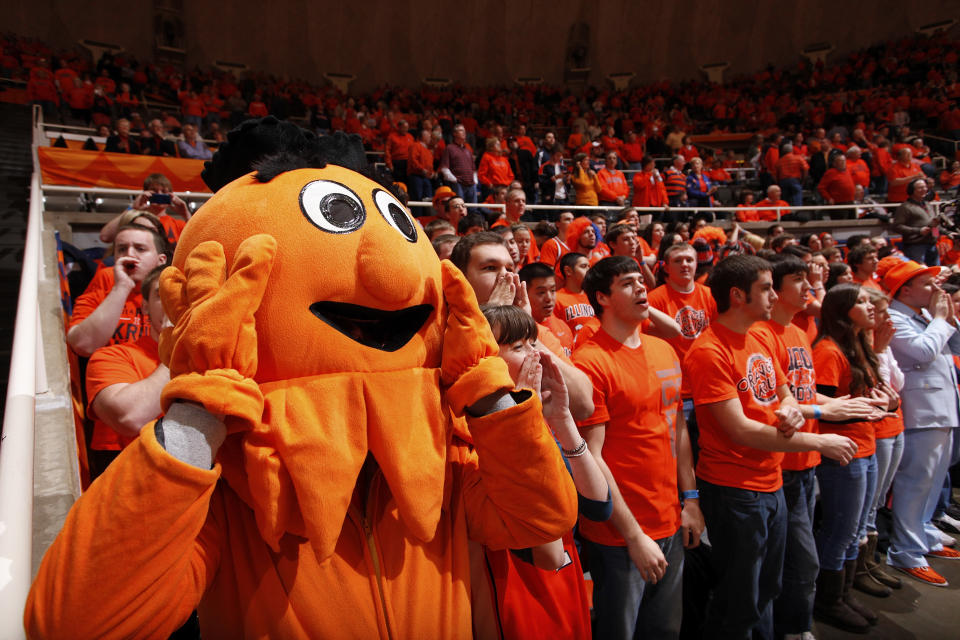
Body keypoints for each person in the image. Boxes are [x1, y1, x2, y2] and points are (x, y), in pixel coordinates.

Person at [684, 254, 857, 638]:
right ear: (737, 295)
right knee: (738, 599)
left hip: (770, 479)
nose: (773, 296)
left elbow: (785, 395)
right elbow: (740, 430)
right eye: (765, 288)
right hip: (734, 490)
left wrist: (793, 411)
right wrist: (817, 440)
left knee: (765, 589)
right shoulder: (710, 350)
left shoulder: (755, 338)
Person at [754, 258, 883, 639]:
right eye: (799, 280)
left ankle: (797, 624)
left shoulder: (797, 333)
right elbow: (775, 405)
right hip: (783, 463)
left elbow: (805, 393)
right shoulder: (762, 335)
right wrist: (829, 410)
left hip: (807, 462)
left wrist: (843, 406)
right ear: (775, 289)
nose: (809, 286)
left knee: (803, 559)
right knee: (794, 561)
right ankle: (790, 627)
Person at [575, 256, 702, 639]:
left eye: (640, 281)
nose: (641, 288)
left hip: (670, 518)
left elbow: (677, 428)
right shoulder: (590, 362)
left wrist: (691, 499)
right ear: (603, 297)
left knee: (664, 630)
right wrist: (633, 536)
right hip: (619, 534)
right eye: (627, 283)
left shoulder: (664, 350)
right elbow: (591, 458)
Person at [476, 305, 611, 640]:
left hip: (563, 584)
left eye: (532, 342)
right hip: (516, 591)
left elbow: (598, 504)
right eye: (519, 347)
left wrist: (563, 420)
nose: (535, 354)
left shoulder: (540, 418)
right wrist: (525, 416)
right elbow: (547, 545)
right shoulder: (475, 431)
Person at [812, 284, 898, 632]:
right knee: (839, 530)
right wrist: (870, 411)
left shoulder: (861, 345)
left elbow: (870, 395)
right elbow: (825, 410)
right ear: (842, 310)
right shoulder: (829, 351)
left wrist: (885, 403)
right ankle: (827, 599)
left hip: (866, 445)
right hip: (843, 451)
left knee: (853, 530)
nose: (870, 307)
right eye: (861, 302)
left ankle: (843, 592)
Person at [883, 258, 960, 587]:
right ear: (906, 289)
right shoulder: (894, 318)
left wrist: (949, 320)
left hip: (940, 408)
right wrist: (941, 321)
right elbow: (923, 352)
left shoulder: (925, 316)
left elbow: (953, 346)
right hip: (920, 412)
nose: (936, 289)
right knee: (915, 484)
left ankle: (924, 533)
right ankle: (905, 550)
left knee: (932, 480)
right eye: (927, 284)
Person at [84, 266, 169, 476]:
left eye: (184, 293)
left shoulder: (217, 356)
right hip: (136, 481)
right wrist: (178, 346)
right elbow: (129, 417)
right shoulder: (111, 357)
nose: (173, 302)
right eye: (162, 294)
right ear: (145, 306)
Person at [648, 243, 717, 447]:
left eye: (689, 260)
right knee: (681, 450)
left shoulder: (710, 296)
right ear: (666, 267)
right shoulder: (654, 300)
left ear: (697, 264)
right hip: (675, 391)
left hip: (708, 388)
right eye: (678, 260)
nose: (684, 264)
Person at [66, 225, 168, 358]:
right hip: (113, 371)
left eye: (140, 249)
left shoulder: (172, 287)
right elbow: (83, 345)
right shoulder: (106, 278)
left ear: (161, 261)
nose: (130, 254)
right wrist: (122, 287)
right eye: (122, 249)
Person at [100, 173, 191, 244]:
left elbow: (199, 242)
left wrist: (186, 214)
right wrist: (132, 208)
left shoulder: (178, 224)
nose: (159, 194)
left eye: (164, 191)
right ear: (146, 193)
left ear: (171, 195)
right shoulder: (136, 220)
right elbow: (105, 237)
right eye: (154, 191)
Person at [891, 178, 939, 266]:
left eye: (925, 187)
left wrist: (941, 235)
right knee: (919, 271)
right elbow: (896, 226)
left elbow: (934, 224)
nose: (924, 189)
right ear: (912, 191)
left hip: (932, 244)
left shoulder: (928, 204)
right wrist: (918, 230)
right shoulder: (905, 207)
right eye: (920, 188)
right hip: (915, 246)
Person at [439, 124, 478, 203]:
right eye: (461, 130)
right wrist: (454, 180)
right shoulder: (449, 148)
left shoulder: (468, 150)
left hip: (471, 184)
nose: (464, 132)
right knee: (458, 206)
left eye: (464, 130)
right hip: (458, 184)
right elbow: (444, 167)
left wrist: (475, 181)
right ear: (455, 133)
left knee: (473, 209)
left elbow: (473, 168)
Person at [776, 143, 809, 207]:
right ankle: (798, 213)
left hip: (783, 181)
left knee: (784, 201)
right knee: (797, 200)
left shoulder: (779, 161)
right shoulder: (798, 158)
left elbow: (775, 174)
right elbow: (806, 169)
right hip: (795, 181)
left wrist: (778, 182)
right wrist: (803, 180)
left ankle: (786, 214)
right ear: (792, 150)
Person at [384, 119, 414, 184]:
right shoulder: (392, 137)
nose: (406, 129)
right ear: (399, 127)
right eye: (404, 128)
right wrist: (389, 164)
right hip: (396, 163)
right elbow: (387, 151)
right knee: (397, 183)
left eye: (407, 128)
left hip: (408, 163)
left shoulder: (410, 137)